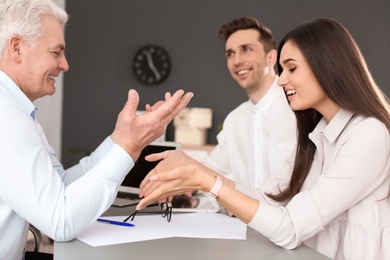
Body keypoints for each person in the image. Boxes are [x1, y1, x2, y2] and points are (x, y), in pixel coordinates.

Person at [138, 18, 390, 260]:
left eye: (291, 68)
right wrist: (192, 169)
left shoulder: (369, 134)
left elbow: (289, 228)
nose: (281, 80)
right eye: (282, 70)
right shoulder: (317, 134)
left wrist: (204, 180)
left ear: (328, 65)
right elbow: (265, 197)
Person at [0, 0, 193, 259]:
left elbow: (61, 186)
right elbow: (61, 221)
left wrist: (121, 138)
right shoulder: (6, 115)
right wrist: (130, 145)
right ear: (17, 48)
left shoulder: (18, 110)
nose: (65, 64)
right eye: (56, 52)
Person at [201, 17, 296, 198]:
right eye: (230, 54)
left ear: (271, 57)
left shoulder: (298, 109)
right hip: (243, 224)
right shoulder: (235, 120)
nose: (236, 61)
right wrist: (182, 186)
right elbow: (209, 170)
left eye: (246, 50)